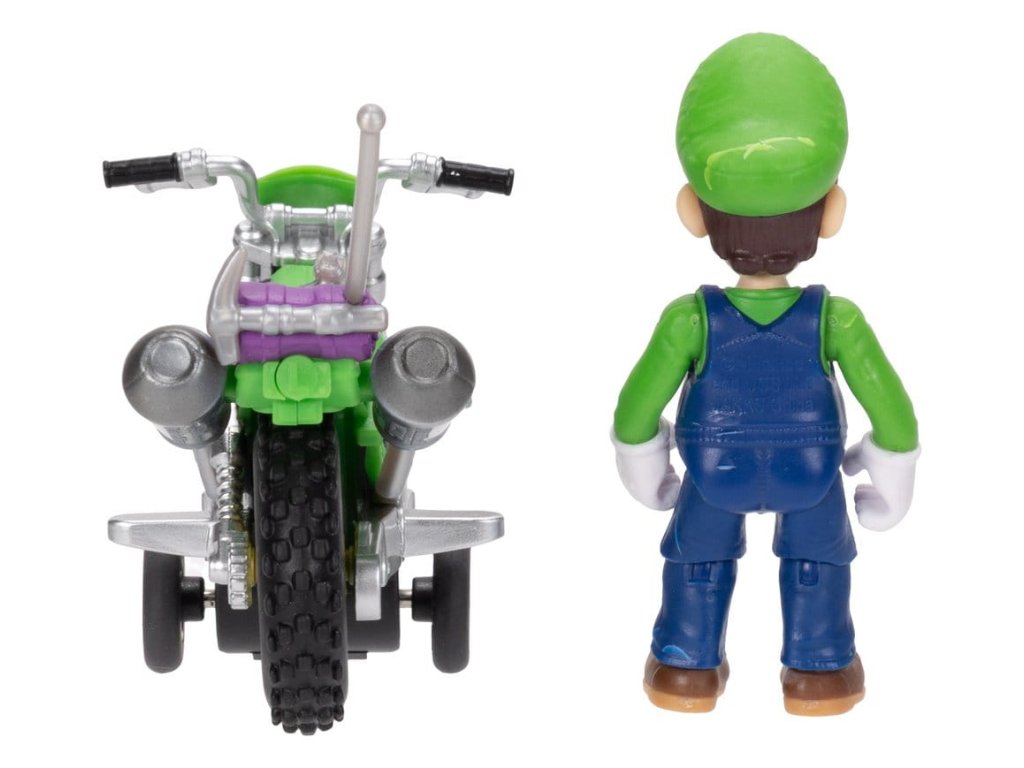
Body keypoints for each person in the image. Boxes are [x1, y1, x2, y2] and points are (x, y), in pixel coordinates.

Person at [612, 33, 919, 716]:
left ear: (692, 213)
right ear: (832, 213)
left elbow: (636, 409)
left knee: (696, 563)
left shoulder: (689, 319)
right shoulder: (836, 319)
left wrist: (642, 463)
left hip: (711, 472)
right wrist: (893, 470)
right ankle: (820, 672)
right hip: (811, 472)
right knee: (819, 565)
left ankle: (683, 667)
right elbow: (891, 407)